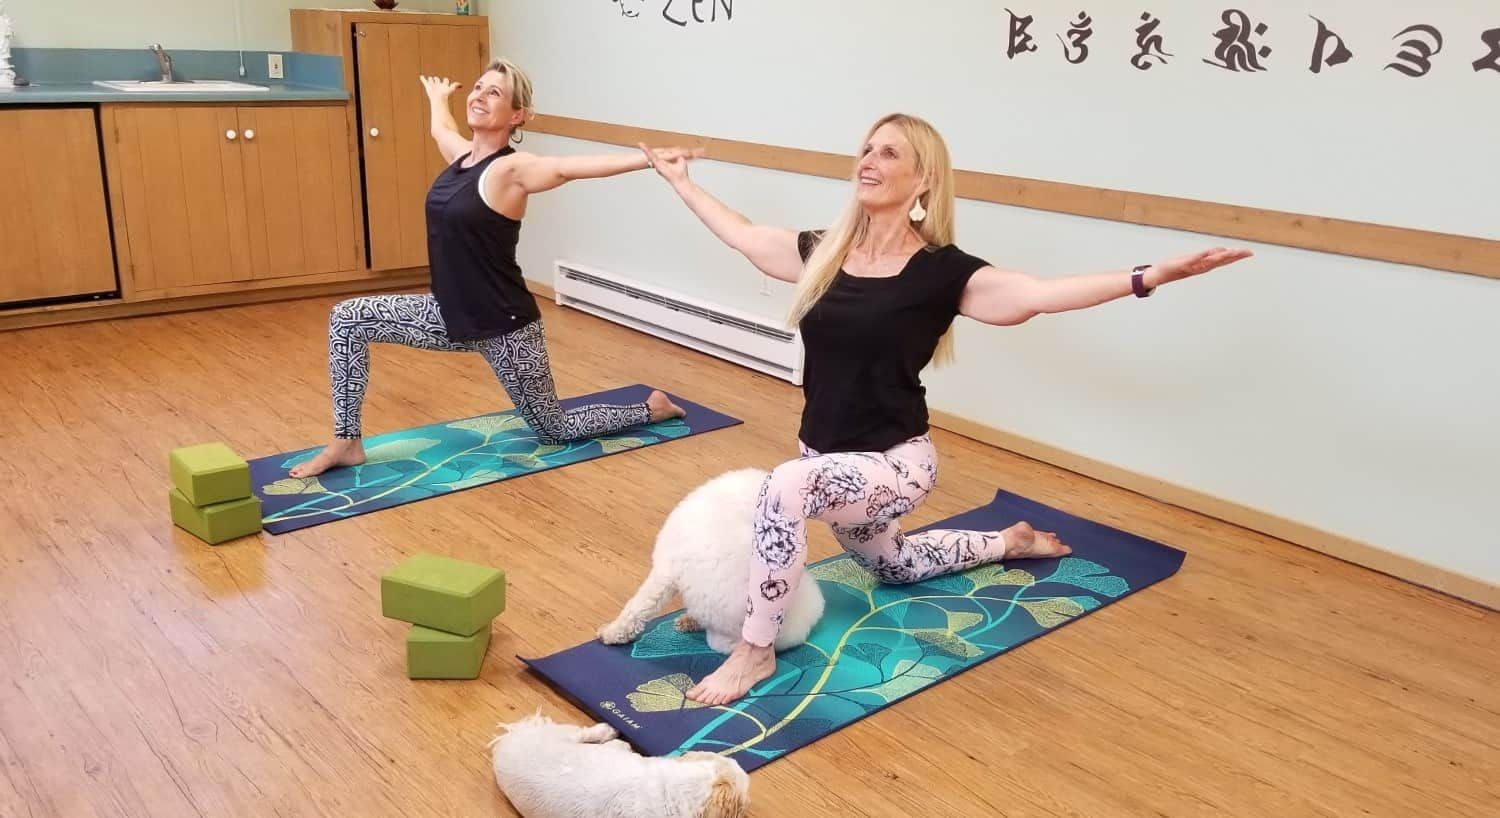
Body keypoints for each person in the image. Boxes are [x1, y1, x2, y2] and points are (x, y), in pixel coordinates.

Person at [639, 113, 1252, 704]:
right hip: (827, 461)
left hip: (896, 465)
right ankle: (1007, 542)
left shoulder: (941, 272)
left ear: (923, 179)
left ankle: (755, 647)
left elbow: (1038, 295)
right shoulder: (822, 253)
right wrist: (681, 182)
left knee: (784, 489)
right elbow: (744, 233)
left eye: (889, 153)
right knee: (897, 566)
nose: (869, 161)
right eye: (867, 149)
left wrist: (1148, 276)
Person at [291, 59, 699, 478]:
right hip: (447, 316)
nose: (480, 97)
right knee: (347, 319)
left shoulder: (511, 169)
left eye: (494, 93)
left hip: (505, 326)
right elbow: (441, 131)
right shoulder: (462, 158)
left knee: (553, 428)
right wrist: (436, 98)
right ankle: (346, 441)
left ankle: (652, 408)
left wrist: (646, 161)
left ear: (517, 115)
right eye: (478, 87)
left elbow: (565, 168)